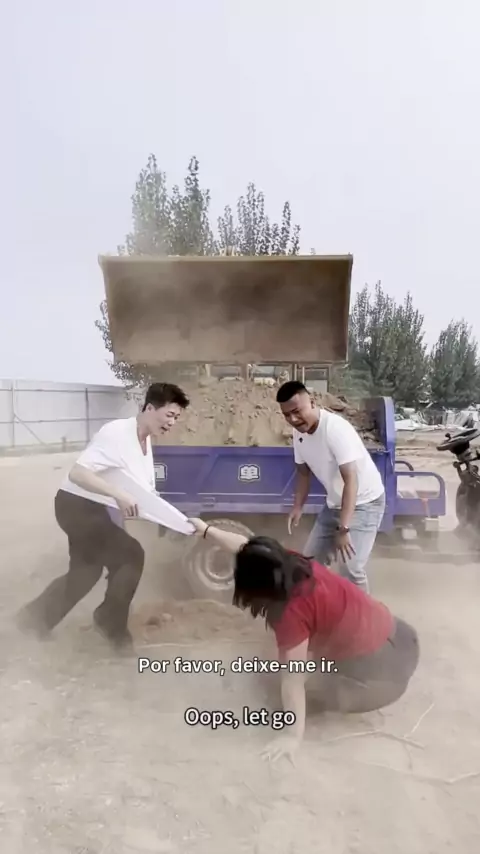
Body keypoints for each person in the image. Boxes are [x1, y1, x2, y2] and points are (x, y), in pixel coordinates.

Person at [188, 518, 419, 764]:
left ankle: (338, 697)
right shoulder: (287, 562)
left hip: (385, 679)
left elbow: (293, 679)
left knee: (284, 698)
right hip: (404, 636)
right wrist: (207, 531)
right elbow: (244, 546)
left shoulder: (290, 613)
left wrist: (291, 736)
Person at [16, 382, 189, 651]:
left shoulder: (145, 442)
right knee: (131, 555)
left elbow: (141, 493)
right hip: (76, 505)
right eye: (169, 415)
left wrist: (177, 521)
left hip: (95, 509)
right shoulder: (117, 432)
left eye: (176, 418)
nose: (172, 423)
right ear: (149, 408)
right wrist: (118, 495)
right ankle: (110, 620)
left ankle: (32, 620)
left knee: (85, 572)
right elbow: (78, 474)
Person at [276, 380, 385, 593]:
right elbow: (303, 473)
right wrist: (298, 507)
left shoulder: (335, 429)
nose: (293, 420)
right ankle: (319, 607)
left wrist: (343, 529)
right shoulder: (299, 433)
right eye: (287, 415)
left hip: (365, 503)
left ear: (312, 402)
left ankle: (364, 613)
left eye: (297, 412)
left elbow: (351, 481)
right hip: (335, 503)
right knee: (309, 564)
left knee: (350, 568)